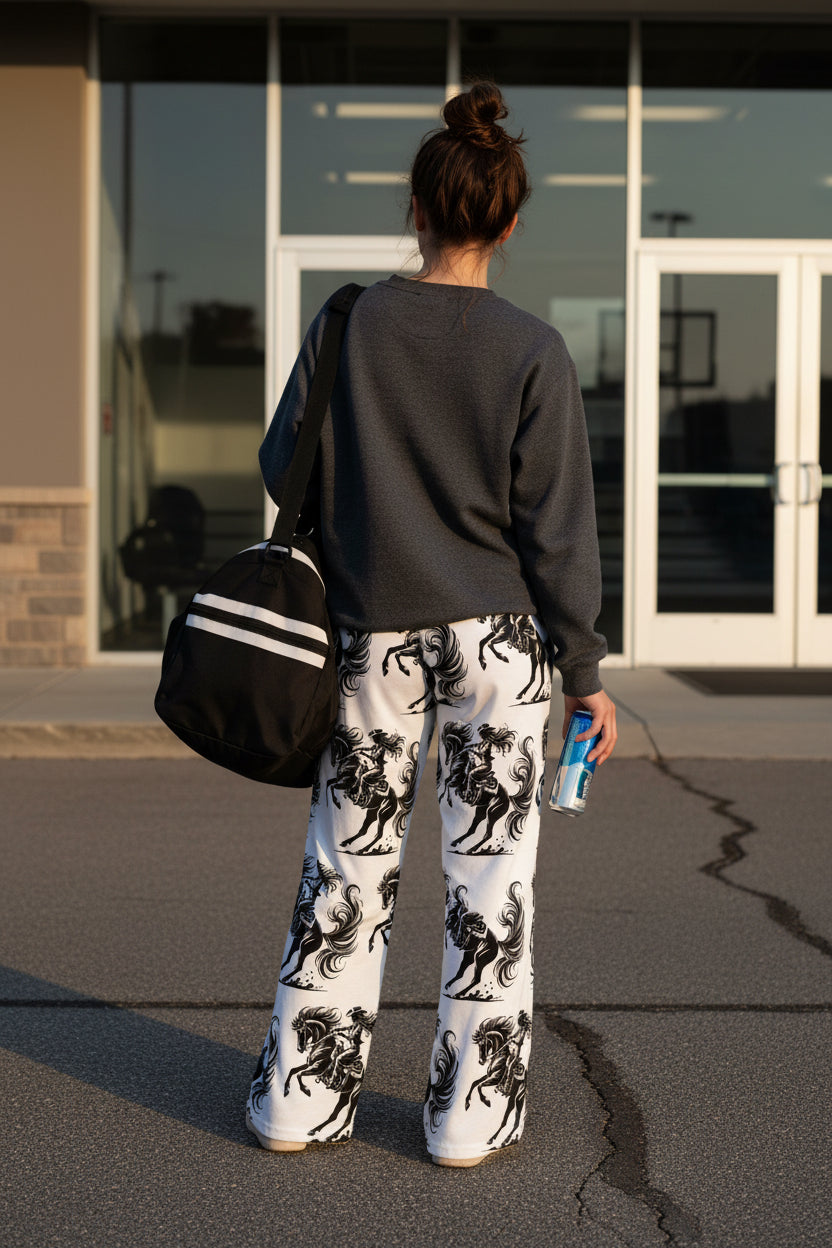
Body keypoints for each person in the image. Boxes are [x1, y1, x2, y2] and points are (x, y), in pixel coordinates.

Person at [246, 81, 617, 1167]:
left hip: (373, 635)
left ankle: (298, 1108)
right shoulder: (533, 350)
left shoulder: (349, 321)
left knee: (346, 870)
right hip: (499, 644)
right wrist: (585, 666)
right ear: (506, 220)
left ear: (417, 207)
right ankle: (467, 1117)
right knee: (489, 877)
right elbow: (557, 532)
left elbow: (282, 467)